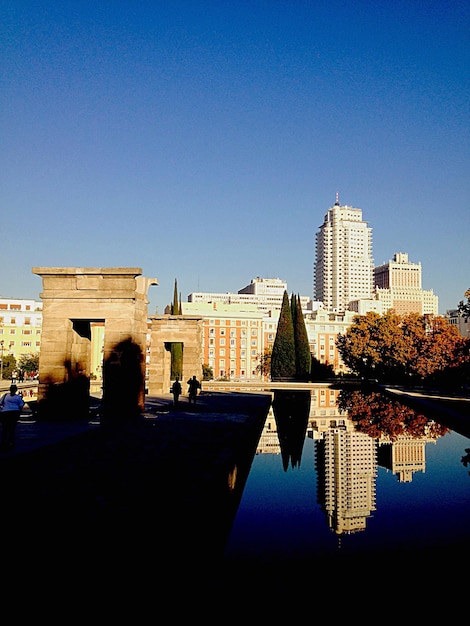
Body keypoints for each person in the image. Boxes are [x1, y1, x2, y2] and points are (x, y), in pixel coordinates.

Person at [0, 384, 25, 451]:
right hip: (14, 413)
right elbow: (21, 405)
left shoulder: (5, 395)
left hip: (5, 412)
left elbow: (0, 403)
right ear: (16, 390)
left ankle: (3, 441)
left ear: (9, 389)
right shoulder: (18, 397)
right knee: (12, 428)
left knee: (4, 428)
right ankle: (11, 441)